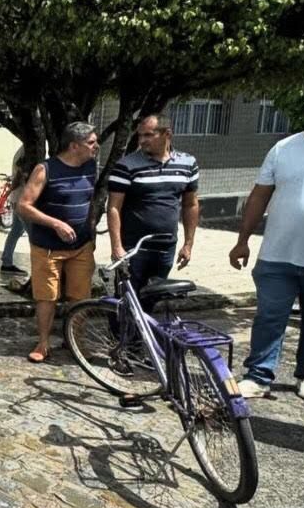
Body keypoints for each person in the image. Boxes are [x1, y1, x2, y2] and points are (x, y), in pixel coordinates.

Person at [229, 93, 304, 403]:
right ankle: (258, 376)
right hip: (278, 254)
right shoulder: (284, 148)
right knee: (269, 317)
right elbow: (259, 197)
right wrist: (242, 241)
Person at [17, 121, 99, 363]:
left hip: (81, 246)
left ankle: (75, 341)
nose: (96, 147)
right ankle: (43, 343)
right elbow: (23, 206)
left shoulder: (91, 167)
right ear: (74, 145)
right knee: (47, 297)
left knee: (80, 296)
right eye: (91, 143)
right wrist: (56, 224)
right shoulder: (45, 170)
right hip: (48, 248)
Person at [107, 114, 199, 310]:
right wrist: (117, 247)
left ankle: (143, 340)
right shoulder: (127, 165)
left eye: (148, 135)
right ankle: (121, 340)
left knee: (152, 297)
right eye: (140, 135)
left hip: (166, 246)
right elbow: (114, 207)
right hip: (134, 247)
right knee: (127, 298)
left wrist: (188, 244)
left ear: (167, 134)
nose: (142, 141)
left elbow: (190, 204)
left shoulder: (187, 163)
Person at [0, 146, 29, 274]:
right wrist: (12, 188)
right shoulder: (27, 150)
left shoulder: (22, 149)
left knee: (16, 231)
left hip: (18, 198)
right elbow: (20, 172)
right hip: (22, 199)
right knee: (33, 234)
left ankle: (6, 261)